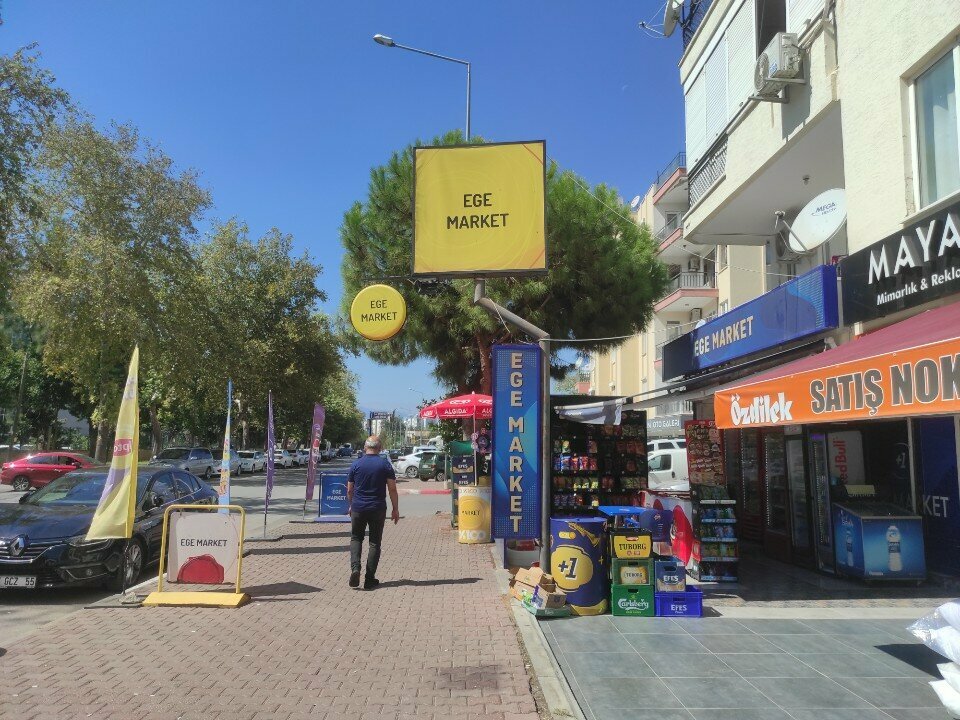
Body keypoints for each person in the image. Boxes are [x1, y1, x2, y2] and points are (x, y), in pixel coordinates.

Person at [346, 435, 399, 590]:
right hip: (377, 508)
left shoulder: (356, 464)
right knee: (374, 542)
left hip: (358, 508)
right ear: (380, 448)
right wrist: (395, 509)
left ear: (364, 447)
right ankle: (369, 579)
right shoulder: (385, 465)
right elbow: (392, 489)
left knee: (356, 538)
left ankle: (355, 568)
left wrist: (351, 505)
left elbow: (350, 489)